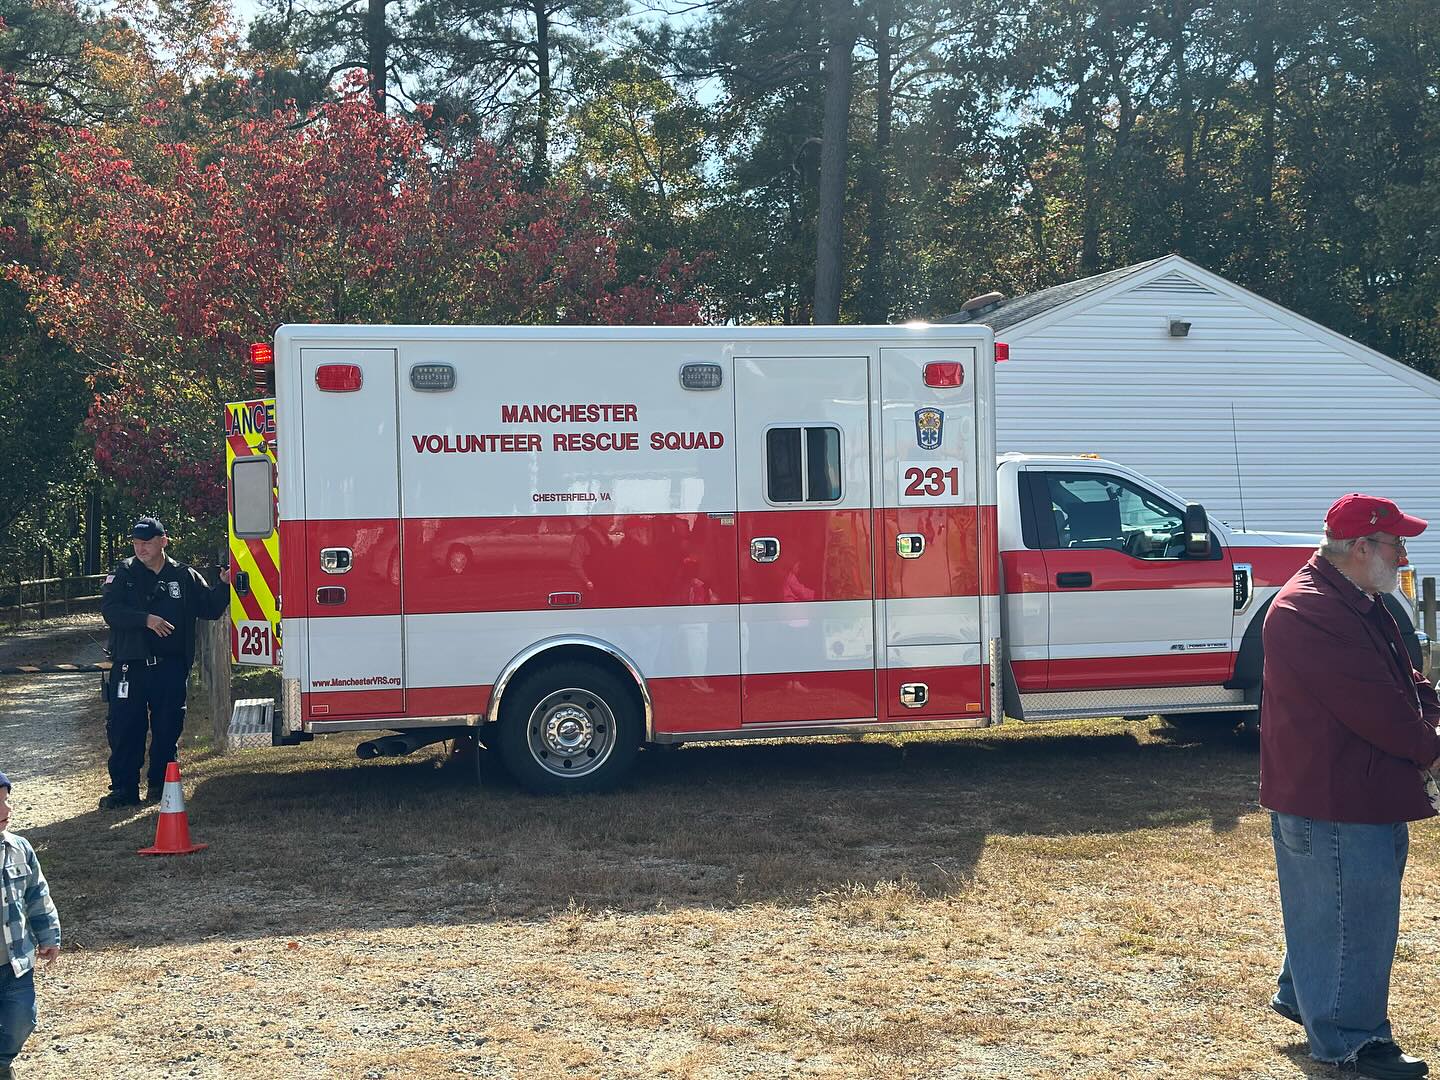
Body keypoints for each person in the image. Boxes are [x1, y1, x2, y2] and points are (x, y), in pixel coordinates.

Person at [1261, 493, 1440, 1080]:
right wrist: (1431, 746)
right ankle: (1351, 1039)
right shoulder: (1311, 610)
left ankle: (1303, 995)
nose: (1404, 554)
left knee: (1330, 904)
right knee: (1355, 912)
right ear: (1361, 547)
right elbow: (1379, 709)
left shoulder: (1354, 599)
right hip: (1335, 796)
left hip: (1351, 788)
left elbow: (1404, 679)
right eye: (1396, 543)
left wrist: (1433, 712)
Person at [99, 517, 230, 810]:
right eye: (136, 543)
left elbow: (208, 608)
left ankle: (160, 785)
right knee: (124, 728)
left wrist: (223, 586)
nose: (141, 548)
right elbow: (111, 611)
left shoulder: (183, 576)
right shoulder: (123, 574)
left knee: (167, 727)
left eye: (147, 542)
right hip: (130, 666)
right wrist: (146, 620)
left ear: (163, 541)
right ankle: (124, 789)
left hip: (169, 666)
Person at [0, 771, 60, 1080]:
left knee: (22, 1018)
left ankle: (1, 1062)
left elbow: (37, 894)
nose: (6, 811)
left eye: (7, 801)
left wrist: (48, 934)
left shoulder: (19, 848)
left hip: (15, 962)